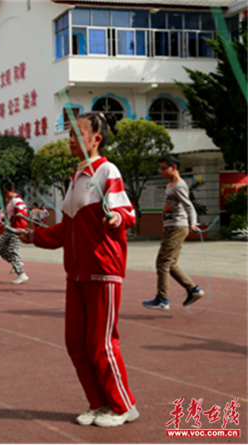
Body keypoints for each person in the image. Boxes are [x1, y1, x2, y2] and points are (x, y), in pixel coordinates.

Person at [22, 112, 138, 427]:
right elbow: (64, 232)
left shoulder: (106, 171)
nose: (70, 139)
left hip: (103, 270)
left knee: (100, 343)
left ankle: (123, 405)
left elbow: (127, 212)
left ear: (96, 139)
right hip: (75, 273)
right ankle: (99, 403)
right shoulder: (76, 177)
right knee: (76, 342)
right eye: (69, 134)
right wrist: (32, 235)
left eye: (77, 133)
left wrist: (116, 219)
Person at [143, 154, 205, 310]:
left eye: (164, 168)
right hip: (172, 227)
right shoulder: (170, 185)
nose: (161, 171)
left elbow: (189, 205)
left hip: (177, 227)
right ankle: (193, 290)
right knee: (170, 264)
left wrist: (193, 223)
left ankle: (162, 299)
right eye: (161, 168)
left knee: (162, 262)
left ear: (174, 167)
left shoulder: (179, 185)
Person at [0, 181, 29, 284]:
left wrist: (20, 214)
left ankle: (21, 274)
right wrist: (1, 218)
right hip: (10, 228)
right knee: (0, 247)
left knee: (12, 250)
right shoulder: (9, 201)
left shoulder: (17, 200)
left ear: (13, 191)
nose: (6, 195)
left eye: (7, 192)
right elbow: (8, 214)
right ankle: (16, 263)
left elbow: (24, 211)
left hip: (17, 229)